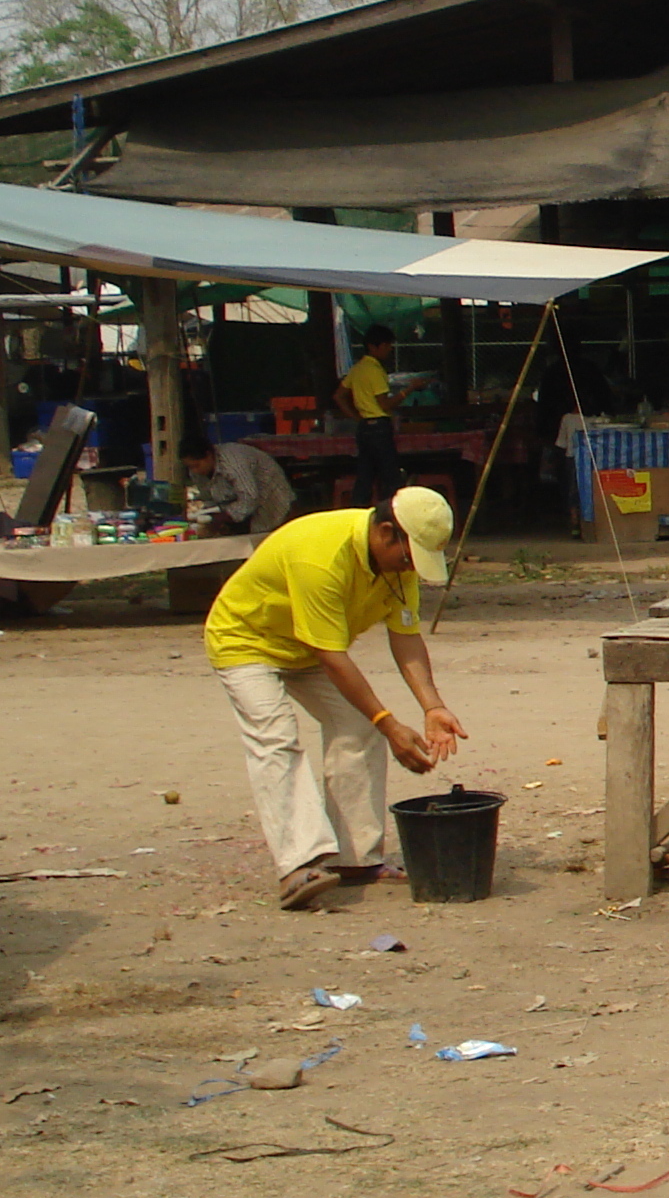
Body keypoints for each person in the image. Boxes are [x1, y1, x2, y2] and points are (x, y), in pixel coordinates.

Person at [204, 487, 465, 911]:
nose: (410, 568)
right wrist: (388, 721)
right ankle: (298, 864)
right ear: (385, 533)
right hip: (247, 640)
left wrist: (432, 706)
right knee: (276, 740)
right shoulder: (321, 554)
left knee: (357, 726)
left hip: (308, 646)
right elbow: (332, 657)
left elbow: (406, 637)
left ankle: (355, 859)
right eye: (407, 558)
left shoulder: (399, 567)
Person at [334, 325, 405, 504]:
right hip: (380, 427)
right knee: (390, 477)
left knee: (365, 476)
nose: (389, 350)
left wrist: (356, 417)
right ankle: (390, 515)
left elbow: (339, 396)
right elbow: (385, 403)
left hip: (364, 427)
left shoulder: (357, 369)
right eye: (386, 346)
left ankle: (359, 514)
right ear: (374, 347)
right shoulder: (375, 370)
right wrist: (408, 390)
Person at [184, 428, 295, 537]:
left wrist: (223, 517)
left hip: (270, 501)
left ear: (208, 455)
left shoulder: (232, 462)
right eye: (190, 467)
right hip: (239, 509)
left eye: (197, 466)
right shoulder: (196, 473)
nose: (195, 471)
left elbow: (249, 498)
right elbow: (208, 499)